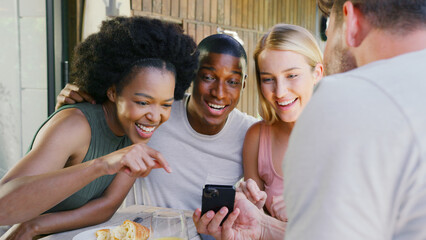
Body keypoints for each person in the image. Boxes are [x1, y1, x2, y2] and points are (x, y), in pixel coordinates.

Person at [194, 0, 426, 239]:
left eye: (329, 31)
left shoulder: (348, 104)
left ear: (351, 20)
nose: (280, 91)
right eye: (268, 79)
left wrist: (264, 226)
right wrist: (260, 223)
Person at [0, 16, 198, 239]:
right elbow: (2, 206)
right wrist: (102, 165)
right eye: (143, 102)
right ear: (112, 92)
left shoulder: (136, 130)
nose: (154, 116)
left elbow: (107, 205)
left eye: (166, 105)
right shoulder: (75, 125)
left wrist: (35, 226)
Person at [54, 34, 258, 211]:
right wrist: (71, 108)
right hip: (136, 230)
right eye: (208, 77)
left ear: (244, 84)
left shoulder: (252, 134)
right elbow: (100, 128)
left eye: (232, 82)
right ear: (190, 75)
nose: (219, 93)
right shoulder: (156, 111)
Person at [239, 24, 323, 222]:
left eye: (292, 75)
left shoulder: (346, 133)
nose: (280, 92)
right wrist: (250, 208)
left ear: (317, 73)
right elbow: (256, 227)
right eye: (268, 79)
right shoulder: (257, 138)